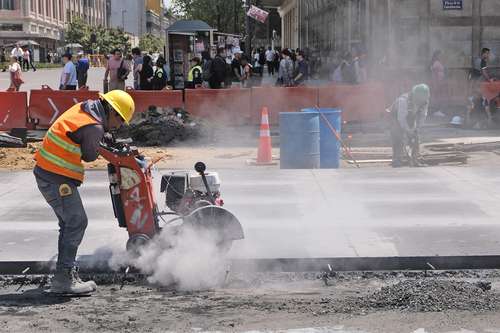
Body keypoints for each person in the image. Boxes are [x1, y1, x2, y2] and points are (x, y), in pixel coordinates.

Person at [34, 90, 135, 295]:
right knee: (77, 221)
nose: (119, 126)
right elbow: (89, 155)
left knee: (69, 223)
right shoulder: (95, 127)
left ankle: (65, 274)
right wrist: (102, 140)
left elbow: (83, 135)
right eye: (120, 120)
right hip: (54, 176)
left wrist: (102, 137)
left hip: (47, 172)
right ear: (112, 112)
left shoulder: (86, 108)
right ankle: (64, 279)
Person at [388, 84, 430, 168]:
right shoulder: (403, 100)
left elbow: (422, 116)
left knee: (415, 138)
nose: (420, 102)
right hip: (396, 118)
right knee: (398, 137)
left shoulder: (425, 101)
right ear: (415, 96)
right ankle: (397, 160)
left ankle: (415, 160)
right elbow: (401, 118)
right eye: (419, 100)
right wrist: (408, 130)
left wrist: (416, 128)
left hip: (410, 117)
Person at [430, 50, 446, 114]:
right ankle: (437, 111)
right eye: (440, 55)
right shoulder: (436, 63)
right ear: (437, 55)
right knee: (438, 97)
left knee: (439, 96)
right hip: (438, 82)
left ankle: (438, 110)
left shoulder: (438, 62)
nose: (441, 56)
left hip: (439, 82)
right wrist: (436, 83)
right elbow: (434, 74)